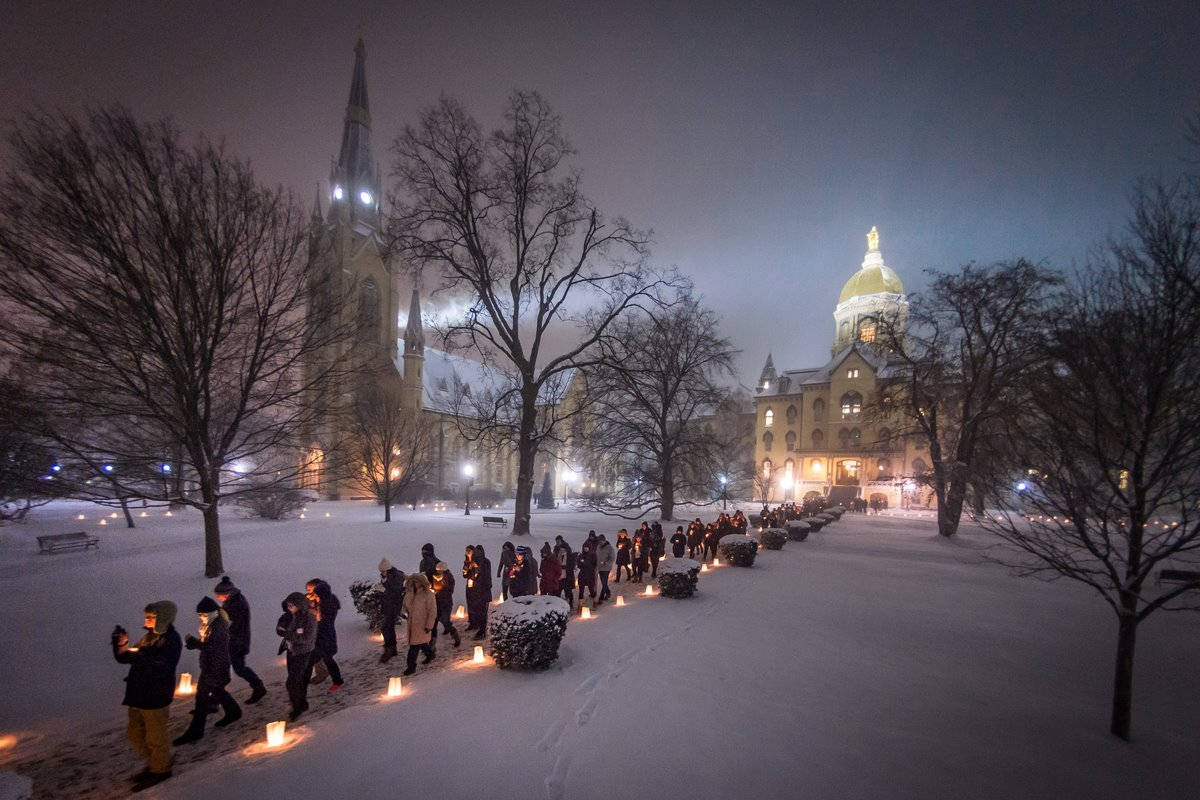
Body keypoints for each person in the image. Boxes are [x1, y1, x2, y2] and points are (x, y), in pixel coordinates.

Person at [112, 600, 181, 792]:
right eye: (147, 617)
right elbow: (128, 657)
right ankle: (155, 763)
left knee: (155, 736)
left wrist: (141, 656)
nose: (147, 620)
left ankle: (160, 769)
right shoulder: (149, 637)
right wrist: (121, 643)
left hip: (155, 696)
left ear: (163, 618)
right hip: (139, 694)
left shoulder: (171, 640)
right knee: (134, 733)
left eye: (151, 617)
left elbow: (160, 664)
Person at [174, 596, 241, 745]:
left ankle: (196, 730)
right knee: (218, 691)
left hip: (216, 667)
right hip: (212, 666)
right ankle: (233, 711)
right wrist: (197, 643)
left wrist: (196, 644)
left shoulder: (219, 627)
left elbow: (214, 648)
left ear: (213, 613)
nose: (201, 618)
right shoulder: (211, 625)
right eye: (199, 615)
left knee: (202, 697)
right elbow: (209, 645)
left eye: (204, 615)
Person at [212, 576, 266, 704]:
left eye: (219, 595)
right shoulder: (232, 601)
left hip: (236, 642)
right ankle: (215, 698)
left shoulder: (236, 604)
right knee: (227, 668)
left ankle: (258, 687)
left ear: (227, 594)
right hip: (234, 641)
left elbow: (231, 624)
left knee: (238, 668)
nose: (217, 598)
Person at [280, 591, 317, 721]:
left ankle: (297, 707)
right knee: (297, 680)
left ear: (300, 605)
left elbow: (307, 637)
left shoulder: (309, 618)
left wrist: (288, 635)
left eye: (292, 605)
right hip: (292, 652)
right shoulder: (291, 616)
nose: (289, 608)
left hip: (303, 653)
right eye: (288, 605)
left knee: (293, 682)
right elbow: (284, 629)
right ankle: (301, 703)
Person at [306, 579, 343, 690]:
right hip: (320, 635)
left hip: (326, 636)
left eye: (316, 594)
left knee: (327, 659)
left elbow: (323, 621)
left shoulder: (327, 605)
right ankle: (327, 677)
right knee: (314, 658)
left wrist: (313, 612)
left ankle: (337, 681)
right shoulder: (322, 601)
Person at [402, 572, 438, 676]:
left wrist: (429, 625)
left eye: (416, 582)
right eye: (412, 582)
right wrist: (404, 613)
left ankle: (411, 666)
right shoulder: (409, 593)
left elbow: (432, 611)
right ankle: (430, 654)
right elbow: (405, 606)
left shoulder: (428, 595)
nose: (414, 584)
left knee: (414, 647)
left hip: (422, 625)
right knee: (421, 644)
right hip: (412, 625)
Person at [378, 559, 406, 663]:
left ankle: (389, 649)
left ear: (388, 569)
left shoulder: (396, 577)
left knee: (385, 628)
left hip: (393, 606)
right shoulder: (387, 576)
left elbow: (395, 592)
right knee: (389, 627)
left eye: (383, 571)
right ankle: (393, 649)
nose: (381, 573)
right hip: (388, 606)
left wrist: (383, 590)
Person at [430, 561, 461, 647]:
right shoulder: (435, 576)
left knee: (446, 621)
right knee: (435, 622)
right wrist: (432, 590)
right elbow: (433, 586)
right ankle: (432, 645)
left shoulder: (449, 578)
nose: (438, 572)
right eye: (437, 570)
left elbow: (450, 591)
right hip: (437, 602)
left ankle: (455, 636)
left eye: (440, 570)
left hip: (446, 603)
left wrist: (441, 590)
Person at [467, 544, 493, 640]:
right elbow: (468, 575)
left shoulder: (485, 563)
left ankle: (482, 631)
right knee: (478, 611)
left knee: (482, 612)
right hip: (476, 591)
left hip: (483, 591)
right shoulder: (473, 562)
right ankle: (479, 629)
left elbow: (485, 577)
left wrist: (476, 572)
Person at [576, 540, 597, 610]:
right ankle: (580, 604)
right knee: (581, 589)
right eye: (584, 547)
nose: (585, 548)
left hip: (590, 574)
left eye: (587, 547)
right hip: (582, 574)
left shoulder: (593, 555)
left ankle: (594, 602)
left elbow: (594, 564)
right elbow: (578, 564)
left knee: (591, 589)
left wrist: (586, 564)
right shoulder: (581, 555)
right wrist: (581, 564)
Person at [555, 538, 576, 606]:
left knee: (568, 591)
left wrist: (564, 567)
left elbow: (572, 566)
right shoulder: (557, 555)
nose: (562, 551)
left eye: (563, 549)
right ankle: (557, 604)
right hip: (560, 577)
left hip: (567, 577)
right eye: (561, 550)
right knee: (557, 591)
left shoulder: (569, 556)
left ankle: (570, 603)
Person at [461, 545, 478, 631]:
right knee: (469, 603)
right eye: (466, 550)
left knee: (475, 604)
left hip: (476, 586)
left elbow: (478, 574)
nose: (467, 552)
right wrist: (466, 571)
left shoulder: (476, 561)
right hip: (469, 585)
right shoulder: (466, 562)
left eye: (469, 550)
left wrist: (474, 569)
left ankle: (476, 622)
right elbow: (464, 575)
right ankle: (471, 622)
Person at [595, 534, 614, 603]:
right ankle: (608, 592)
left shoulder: (609, 548)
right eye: (599, 542)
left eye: (601, 542)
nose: (600, 543)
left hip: (606, 568)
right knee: (604, 583)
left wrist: (606, 562)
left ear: (604, 540)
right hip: (600, 568)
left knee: (604, 582)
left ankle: (601, 597)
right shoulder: (598, 547)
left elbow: (612, 558)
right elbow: (597, 556)